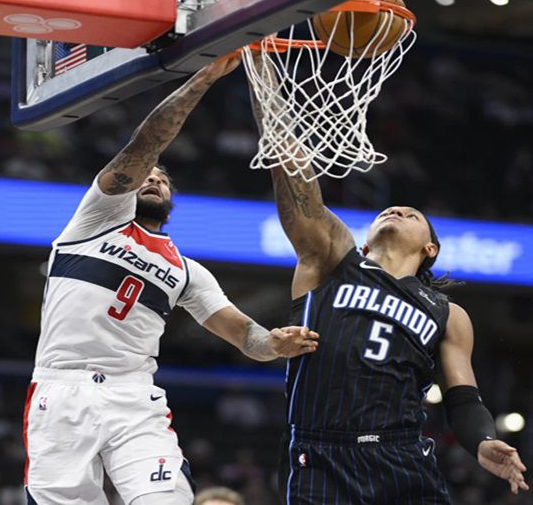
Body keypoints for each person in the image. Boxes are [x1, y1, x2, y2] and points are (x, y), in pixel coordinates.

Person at [23, 56, 318, 505]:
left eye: (163, 178)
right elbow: (145, 146)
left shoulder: (186, 270)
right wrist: (203, 80)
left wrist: (273, 343)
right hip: (63, 388)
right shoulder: (94, 221)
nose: (154, 178)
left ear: (172, 198)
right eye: (148, 174)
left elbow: (244, 335)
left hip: (134, 394)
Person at [247, 60, 529, 504]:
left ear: (430, 249)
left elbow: (463, 398)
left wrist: (482, 441)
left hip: (401, 457)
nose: (397, 210)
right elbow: (291, 167)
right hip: (321, 455)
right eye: (387, 210)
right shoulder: (330, 262)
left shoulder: (447, 313)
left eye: (412, 214)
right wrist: (262, 75)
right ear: (363, 241)